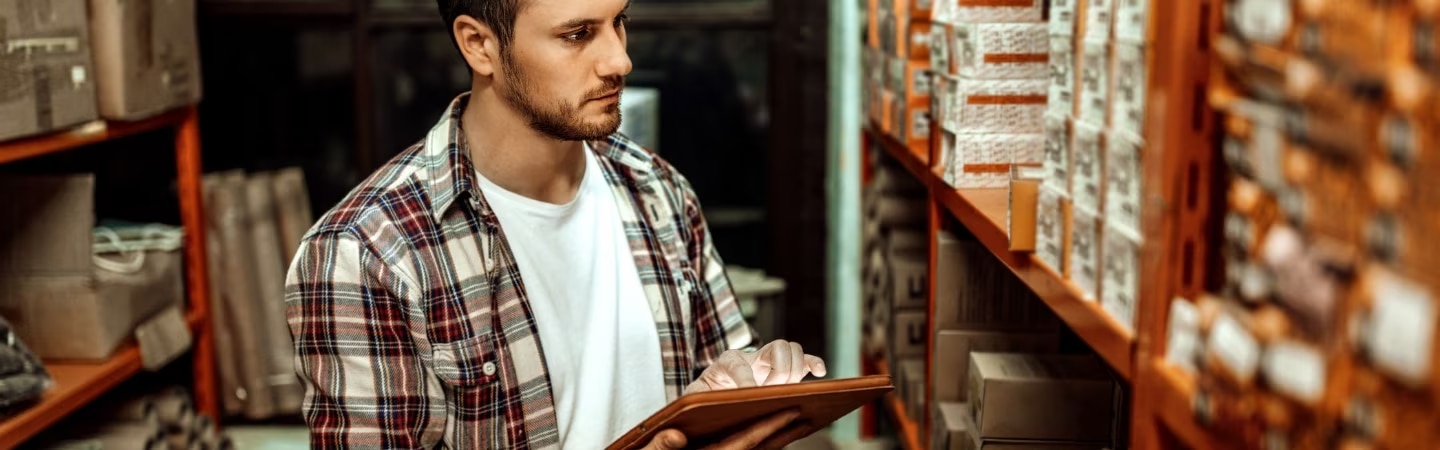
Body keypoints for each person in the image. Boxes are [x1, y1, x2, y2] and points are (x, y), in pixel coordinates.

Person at [283, 0, 827, 447]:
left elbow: (719, 381)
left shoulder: (656, 189)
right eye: (577, 35)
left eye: (620, 22)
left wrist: (753, 379)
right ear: (479, 45)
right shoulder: (367, 254)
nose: (619, 60)